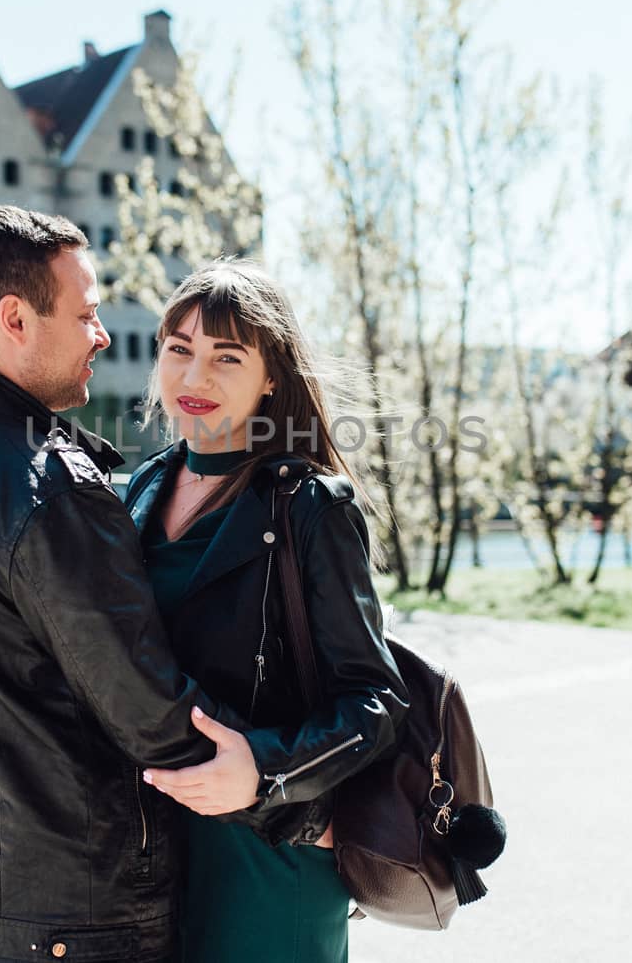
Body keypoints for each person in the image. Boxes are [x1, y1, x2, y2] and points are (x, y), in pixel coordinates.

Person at [0, 207, 266, 963]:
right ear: (15, 318)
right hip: (76, 916)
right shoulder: (51, 488)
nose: (103, 336)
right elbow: (155, 720)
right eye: (86, 313)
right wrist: (295, 792)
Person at [125, 260, 411, 962]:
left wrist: (262, 768)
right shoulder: (141, 487)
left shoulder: (310, 506)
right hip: (148, 851)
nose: (195, 379)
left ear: (271, 375)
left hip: (268, 854)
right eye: (179, 349)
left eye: (228, 357)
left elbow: (377, 702)